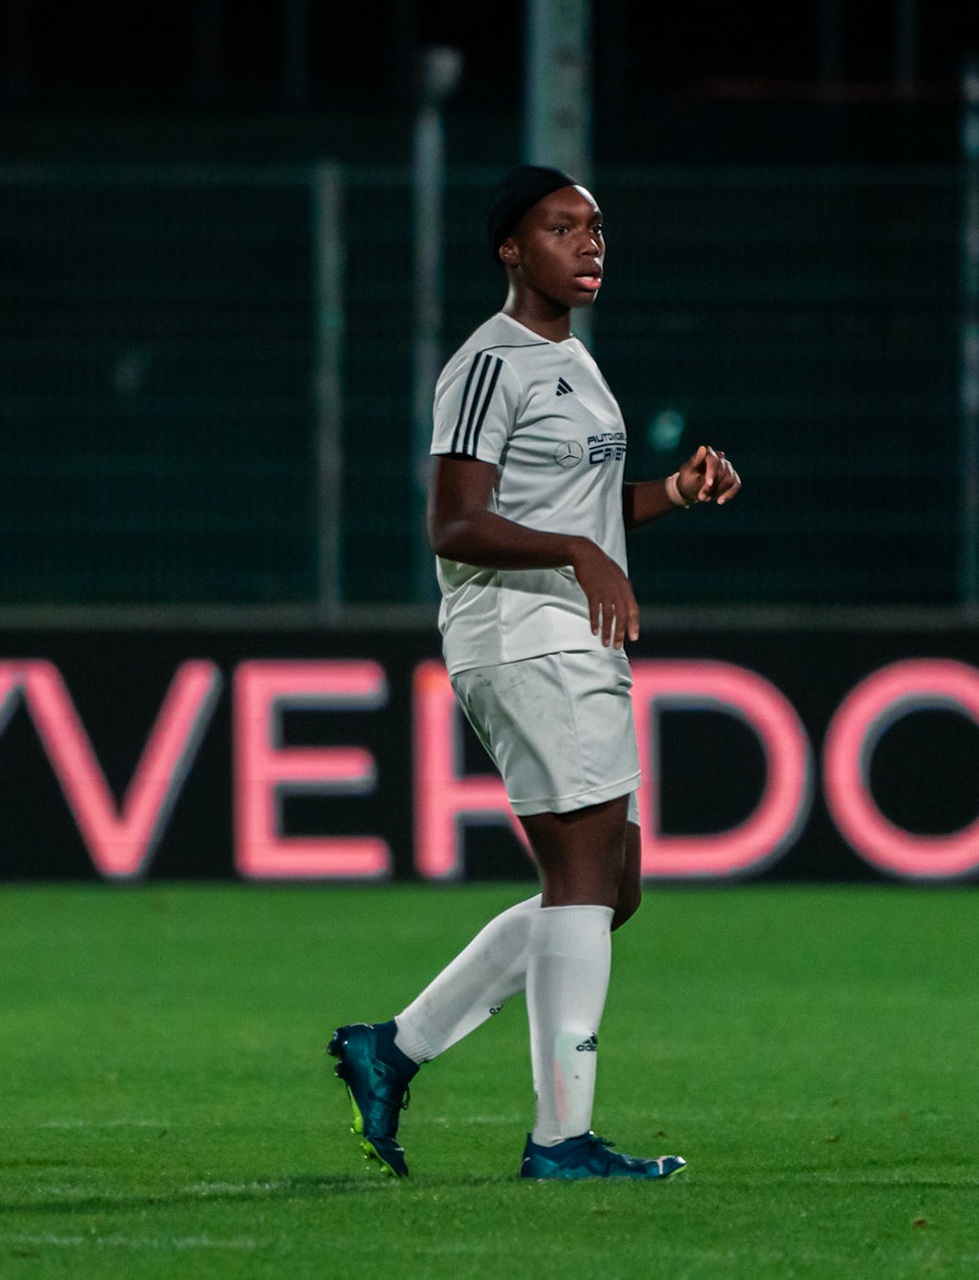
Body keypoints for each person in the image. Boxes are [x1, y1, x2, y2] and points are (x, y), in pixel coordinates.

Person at [328, 166, 741, 1181]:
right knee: (582, 881)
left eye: (596, 227)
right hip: (525, 637)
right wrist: (580, 553)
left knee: (611, 886)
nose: (588, 244)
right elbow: (455, 521)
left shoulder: (576, 362)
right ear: (512, 250)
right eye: (562, 228)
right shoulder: (489, 362)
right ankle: (561, 1137)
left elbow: (587, 512)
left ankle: (396, 1045)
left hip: (573, 633)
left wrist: (669, 496)